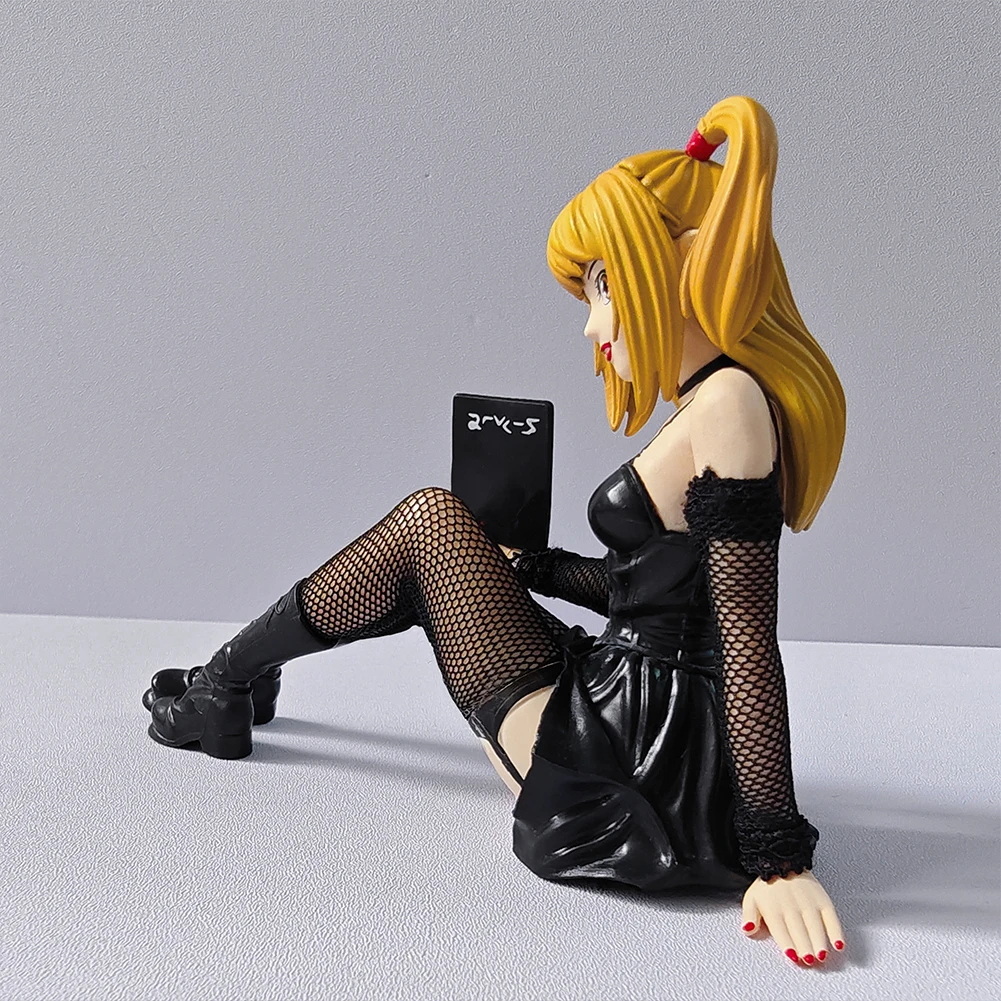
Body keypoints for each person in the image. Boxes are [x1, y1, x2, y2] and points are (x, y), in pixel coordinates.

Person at [145, 94, 847, 967]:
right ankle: (231, 685)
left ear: (684, 262)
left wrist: (777, 856)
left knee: (428, 521)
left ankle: (224, 687)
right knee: (438, 529)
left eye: (603, 285)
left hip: (635, 753)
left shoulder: (731, 404)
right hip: (626, 693)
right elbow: (657, 594)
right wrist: (536, 567)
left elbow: (743, 633)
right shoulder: (713, 400)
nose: (593, 324)